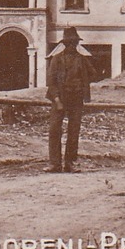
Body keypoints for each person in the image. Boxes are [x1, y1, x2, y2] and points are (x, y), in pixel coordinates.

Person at [45, 27, 94, 172]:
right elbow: (50, 82)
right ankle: (55, 163)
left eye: (75, 43)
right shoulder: (57, 59)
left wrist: (82, 84)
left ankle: (70, 163)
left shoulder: (81, 59)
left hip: (76, 98)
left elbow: (93, 73)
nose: (72, 46)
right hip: (59, 97)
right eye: (70, 43)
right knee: (54, 130)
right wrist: (57, 99)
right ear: (65, 44)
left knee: (74, 131)